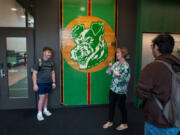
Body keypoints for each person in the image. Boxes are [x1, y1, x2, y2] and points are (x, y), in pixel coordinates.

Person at [136, 34, 180, 135]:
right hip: (176, 120)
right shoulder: (177, 65)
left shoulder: (151, 68)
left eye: (152, 46)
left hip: (157, 121)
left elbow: (140, 93)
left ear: (156, 47)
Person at [103, 48, 131, 131]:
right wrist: (109, 67)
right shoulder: (116, 63)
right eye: (117, 53)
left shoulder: (126, 66)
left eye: (118, 53)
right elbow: (108, 73)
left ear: (123, 55)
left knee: (122, 107)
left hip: (121, 91)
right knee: (111, 105)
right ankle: (110, 121)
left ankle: (124, 123)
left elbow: (127, 79)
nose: (117, 55)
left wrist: (119, 75)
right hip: (112, 89)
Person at [32, 46, 56, 121]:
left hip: (49, 83)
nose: (50, 54)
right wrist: (35, 84)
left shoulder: (51, 62)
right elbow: (34, 74)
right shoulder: (39, 61)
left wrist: (54, 82)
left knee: (46, 97)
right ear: (44, 52)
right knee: (42, 98)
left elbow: (53, 73)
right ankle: (39, 113)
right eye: (48, 52)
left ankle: (45, 110)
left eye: (50, 53)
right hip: (41, 83)